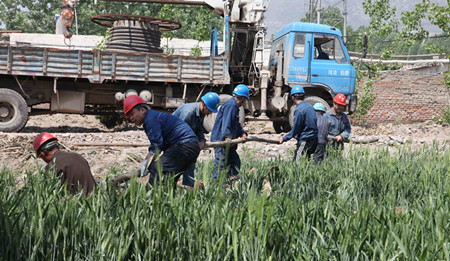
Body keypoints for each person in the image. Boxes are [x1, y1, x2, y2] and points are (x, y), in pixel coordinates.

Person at [124, 95, 200, 186]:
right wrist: (148, 165)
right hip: (190, 146)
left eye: (132, 114)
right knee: (168, 180)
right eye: (129, 116)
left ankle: (151, 196)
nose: (131, 118)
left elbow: (156, 147)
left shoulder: (150, 120)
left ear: (143, 110)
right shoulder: (152, 117)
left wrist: (146, 166)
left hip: (184, 146)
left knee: (157, 169)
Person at [172, 92, 220, 187]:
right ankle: (170, 186)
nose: (210, 113)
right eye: (210, 110)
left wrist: (202, 140)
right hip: (174, 140)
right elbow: (179, 132)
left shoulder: (201, 113)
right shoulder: (188, 113)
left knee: (190, 161)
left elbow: (199, 128)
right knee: (175, 164)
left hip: (186, 140)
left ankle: (188, 187)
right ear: (204, 105)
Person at [211, 84, 248, 181]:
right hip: (222, 140)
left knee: (234, 162)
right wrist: (227, 137)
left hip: (229, 142)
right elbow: (226, 122)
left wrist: (242, 133)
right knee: (220, 164)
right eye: (245, 100)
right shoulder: (231, 105)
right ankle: (216, 185)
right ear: (243, 98)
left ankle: (229, 182)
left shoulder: (234, 106)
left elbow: (235, 123)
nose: (244, 103)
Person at [279, 85, 318, 161]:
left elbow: (296, 128)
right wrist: (289, 133)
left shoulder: (299, 109)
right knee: (307, 163)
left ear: (292, 97)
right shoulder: (310, 106)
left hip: (305, 140)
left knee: (296, 163)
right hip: (314, 140)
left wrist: (284, 138)